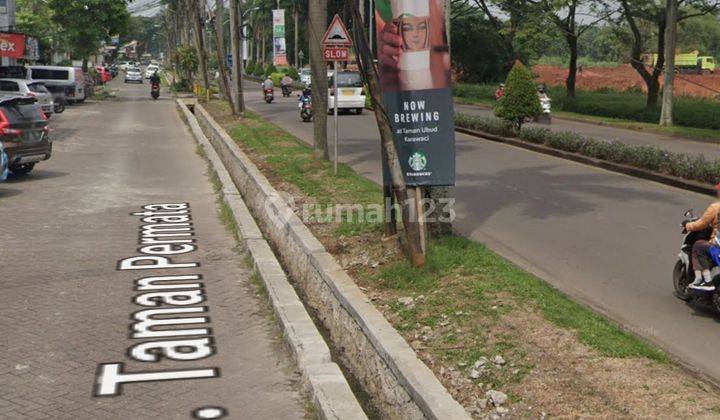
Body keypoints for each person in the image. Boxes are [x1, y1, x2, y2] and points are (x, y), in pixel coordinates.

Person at [684, 184, 720, 290]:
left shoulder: (715, 207)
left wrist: (687, 225)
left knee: (698, 246)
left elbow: (701, 224)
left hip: (717, 247)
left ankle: (705, 280)